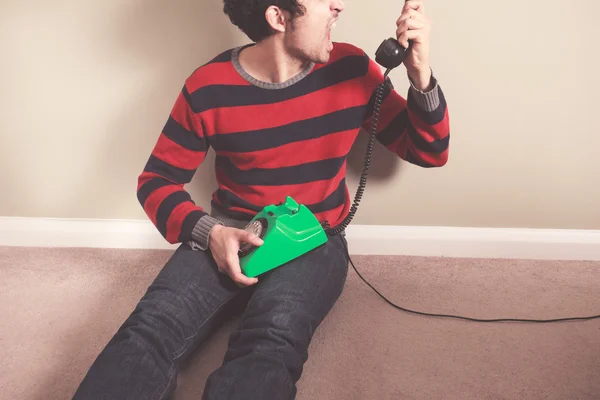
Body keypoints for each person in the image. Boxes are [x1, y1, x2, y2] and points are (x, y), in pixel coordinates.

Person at [72, 0, 450, 398]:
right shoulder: (208, 87)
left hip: (313, 238)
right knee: (148, 329)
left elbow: (429, 152)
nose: (339, 6)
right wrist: (210, 233)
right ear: (278, 17)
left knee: (271, 338)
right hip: (230, 229)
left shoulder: (352, 68)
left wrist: (420, 75)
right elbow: (156, 181)